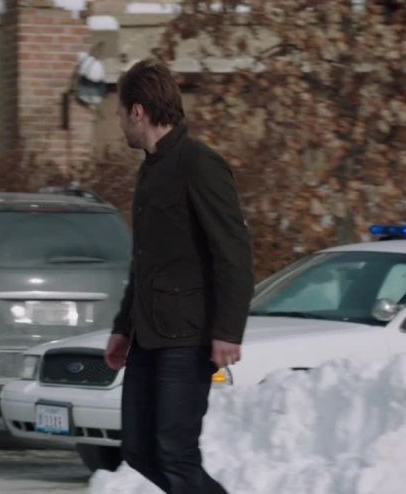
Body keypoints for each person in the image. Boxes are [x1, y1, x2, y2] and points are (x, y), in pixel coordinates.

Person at [105, 59, 254, 493]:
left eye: (120, 113)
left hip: (188, 338)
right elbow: (145, 260)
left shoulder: (199, 164)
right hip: (148, 335)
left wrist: (228, 330)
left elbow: (233, 252)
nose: (119, 123)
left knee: (175, 452)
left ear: (138, 111)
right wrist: (123, 327)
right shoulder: (151, 169)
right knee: (138, 449)